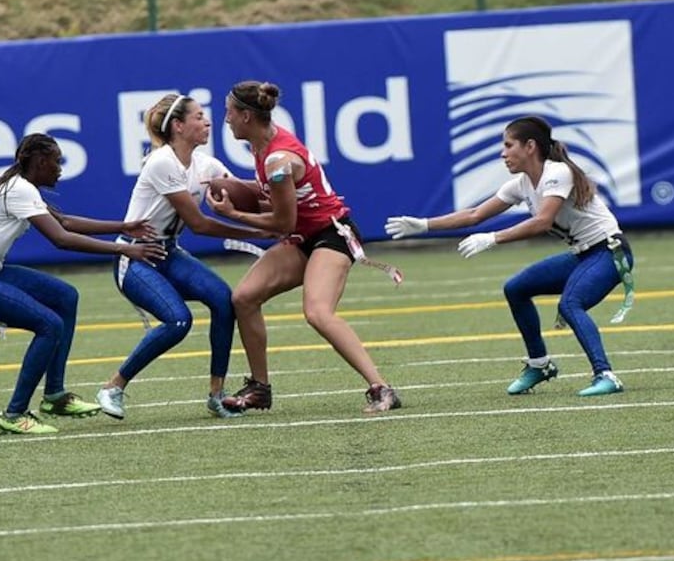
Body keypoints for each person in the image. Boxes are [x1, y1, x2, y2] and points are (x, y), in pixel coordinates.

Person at [385, 115, 634, 397]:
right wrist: (424, 225)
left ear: (530, 146)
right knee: (516, 289)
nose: (503, 153)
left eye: (508, 145)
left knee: (571, 303)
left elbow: (542, 221)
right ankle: (539, 364)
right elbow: (474, 214)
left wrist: (494, 238)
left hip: (610, 252)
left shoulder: (557, 172)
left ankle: (606, 375)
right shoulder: (522, 184)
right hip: (583, 255)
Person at [0, 133, 166, 435]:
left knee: (64, 296)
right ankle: (14, 413)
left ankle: (54, 396)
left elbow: (65, 222)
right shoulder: (19, 189)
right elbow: (61, 238)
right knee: (49, 324)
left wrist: (122, 227)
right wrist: (123, 247)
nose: (60, 169)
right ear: (41, 161)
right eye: (57, 162)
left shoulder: (20, 186)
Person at [206, 80, 402, 414]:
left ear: (247, 116)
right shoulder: (263, 146)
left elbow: (282, 222)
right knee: (244, 298)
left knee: (317, 312)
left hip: (331, 234)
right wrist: (240, 188)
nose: (225, 120)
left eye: (229, 113)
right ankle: (260, 389)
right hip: (304, 236)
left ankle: (381, 387)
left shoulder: (278, 160)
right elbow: (278, 198)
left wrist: (233, 212)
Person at [95, 93, 272, 420]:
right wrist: (260, 232)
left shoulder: (206, 164)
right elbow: (199, 224)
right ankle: (113, 386)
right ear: (178, 126)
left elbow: (247, 196)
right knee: (178, 321)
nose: (207, 122)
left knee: (224, 300)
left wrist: (294, 200)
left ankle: (216, 395)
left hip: (169, 252)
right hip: (136, 258)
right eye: (199, 116)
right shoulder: (162, 161)